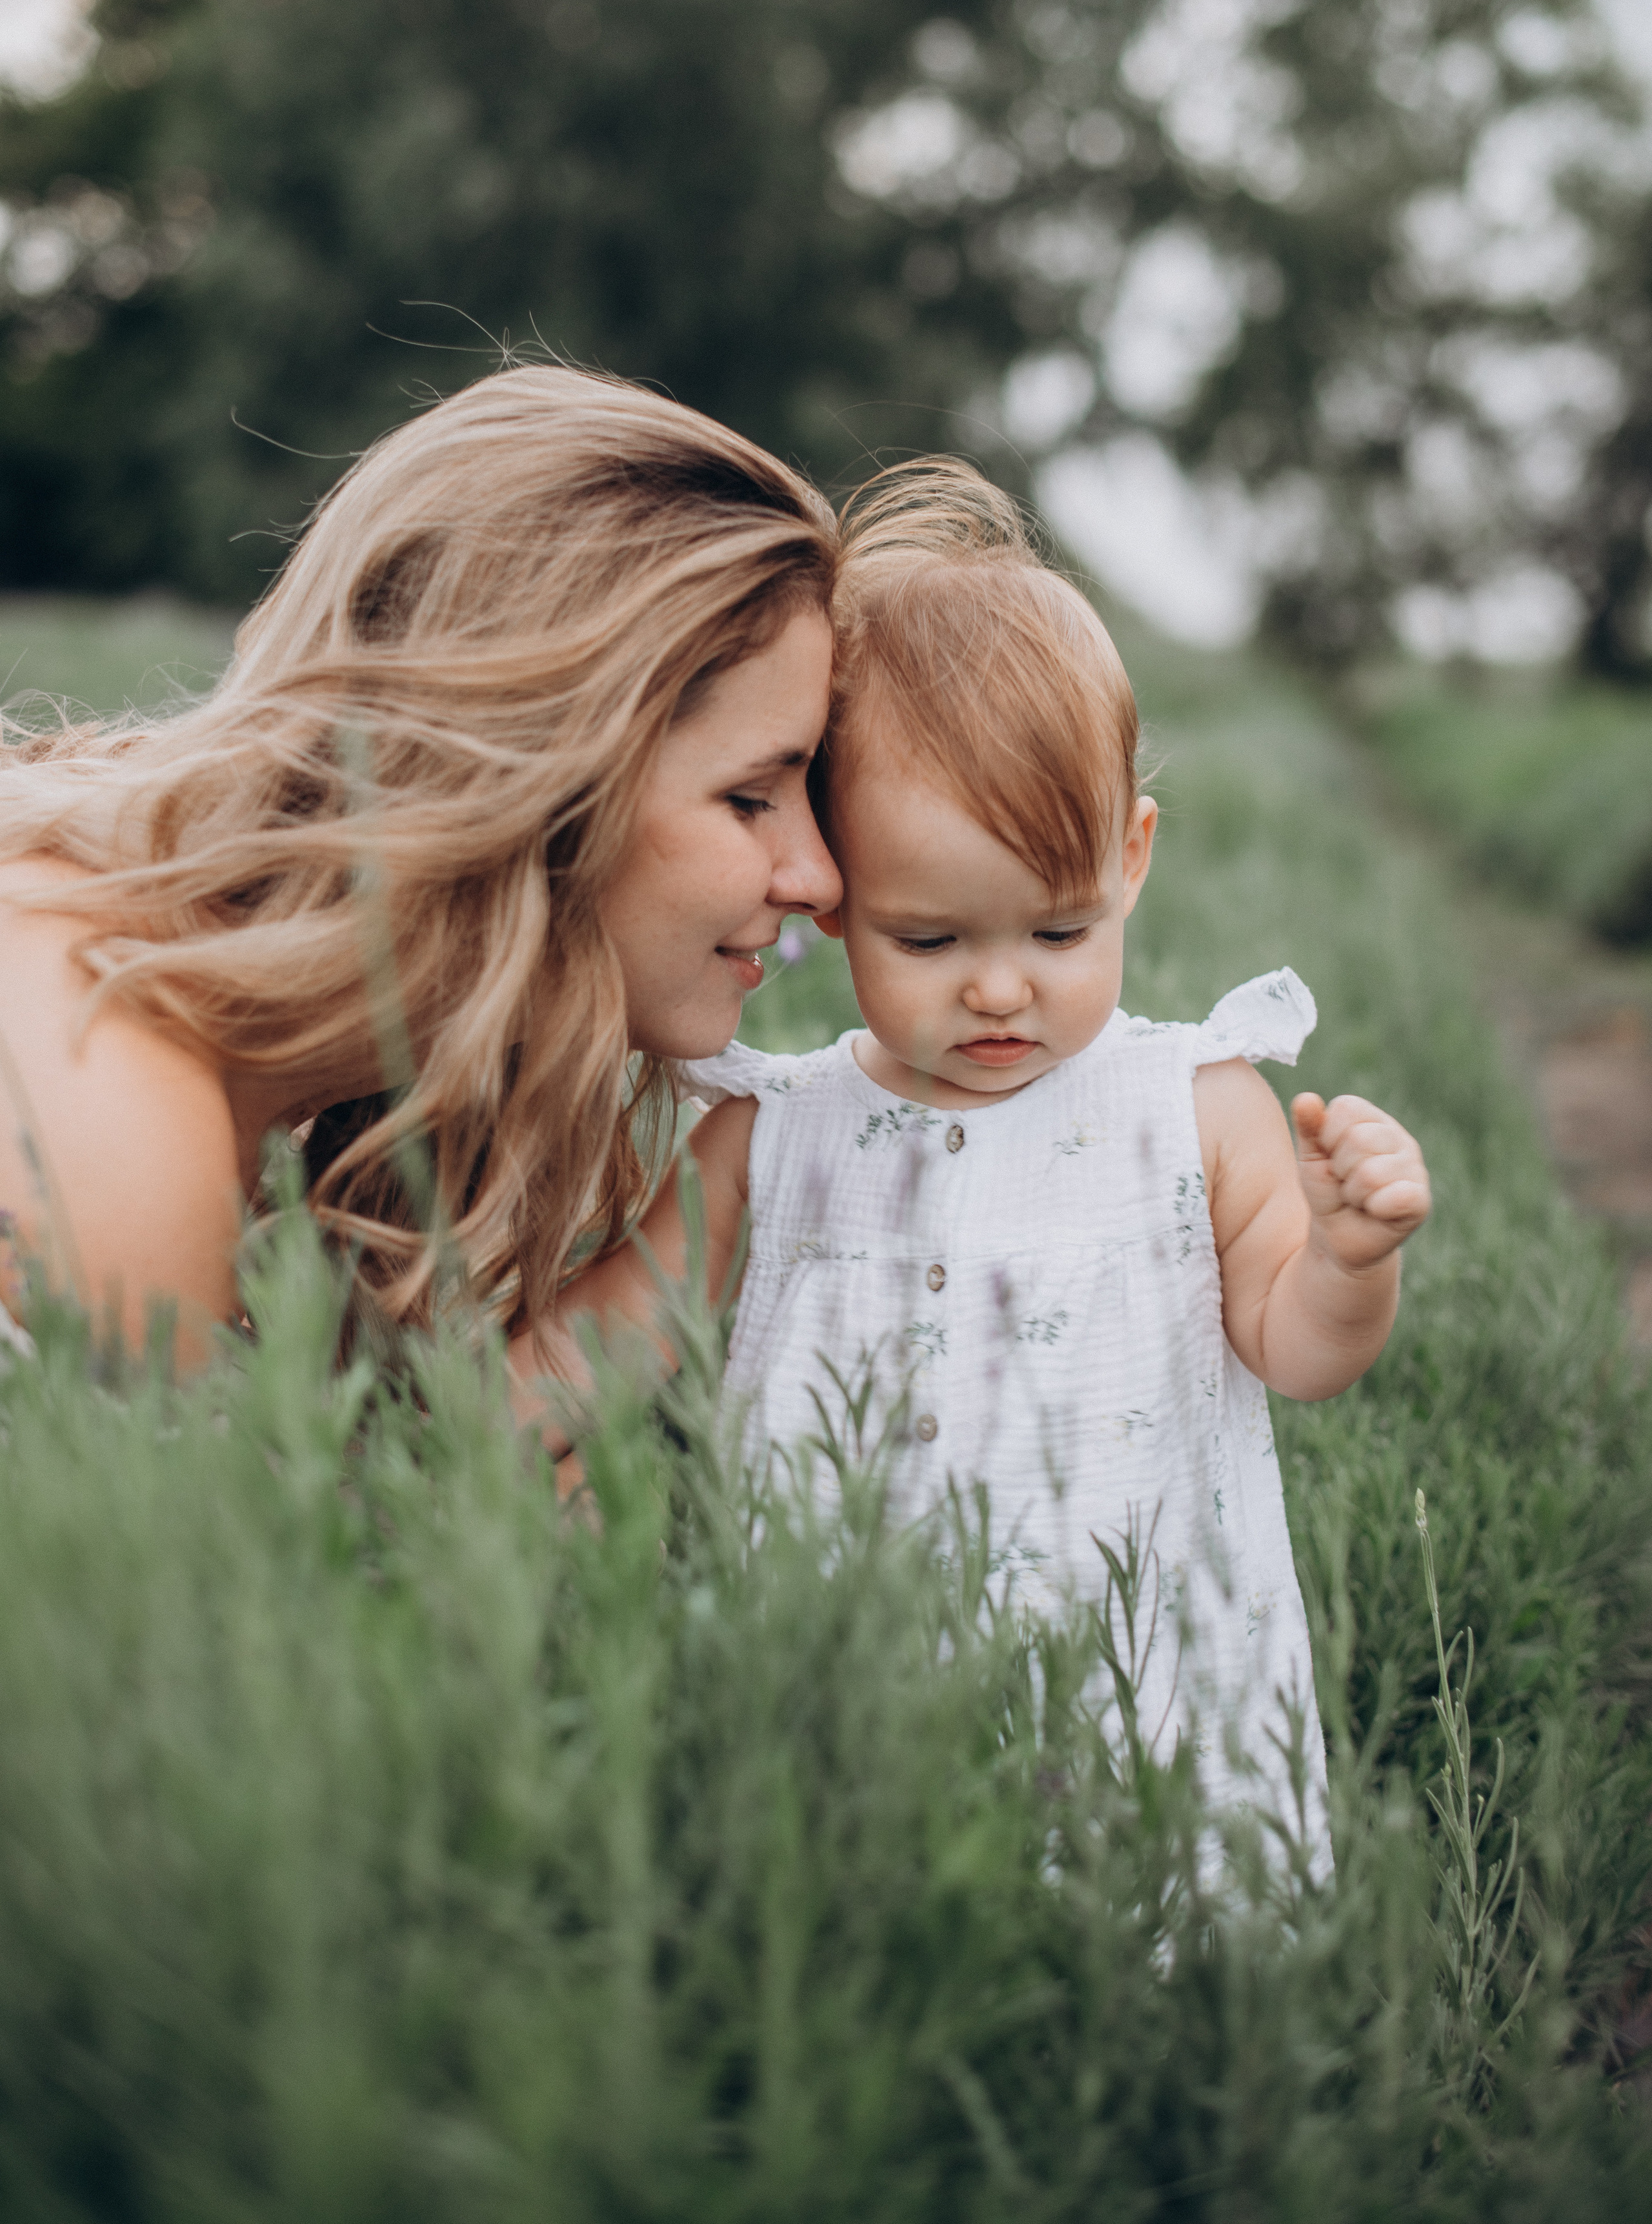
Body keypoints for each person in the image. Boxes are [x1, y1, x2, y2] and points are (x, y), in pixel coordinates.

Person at [552, 461, 1433, 1839]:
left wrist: (1348, 1256)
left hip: (1143, 1697)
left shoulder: (1191, 1109)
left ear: (1130, 855)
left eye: (1058, 931)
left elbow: (1299, 1347)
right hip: (841, 1701)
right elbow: (597, 1346)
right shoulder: (771, 1138)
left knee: (1143, 1968)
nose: (1001, 990)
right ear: (835, 892)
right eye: (930, 940)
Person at [0, 365, 844, 1384]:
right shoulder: (116, 1132)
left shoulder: (238, 1055)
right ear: (528, 786)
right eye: (752, 798)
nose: (820, 879)